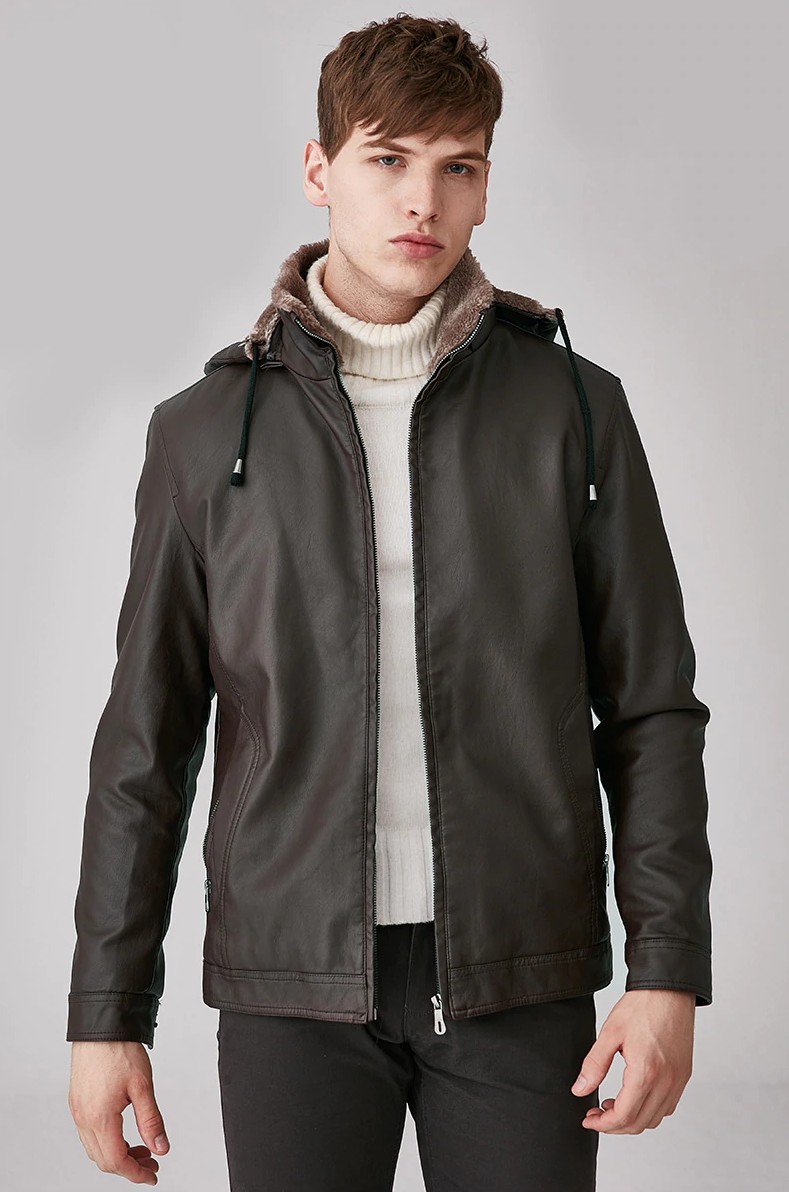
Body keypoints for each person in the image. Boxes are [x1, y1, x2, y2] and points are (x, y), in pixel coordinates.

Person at [66, 13, 713, 1191]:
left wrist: (667, 968)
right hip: (291, 988)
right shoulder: (204, 434)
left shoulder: (574, 408)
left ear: (485, 189)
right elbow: (145, 740)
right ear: (319, 170)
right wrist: (105, 1012)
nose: (423, 199)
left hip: (519, 976)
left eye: (457, 167)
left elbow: (651, 708)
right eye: (388, 158)